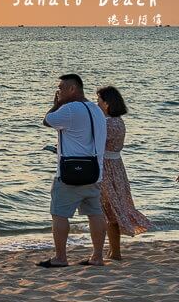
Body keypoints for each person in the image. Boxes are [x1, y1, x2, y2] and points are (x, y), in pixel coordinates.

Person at [39, 73, 107, 268]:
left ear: (72, 89)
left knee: (59, 214)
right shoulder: (96, 110)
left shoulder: (69, 109)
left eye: (61, 88)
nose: (58, 91)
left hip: (70, 174)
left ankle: (60, 257)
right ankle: (97, 257)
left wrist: (57, 104)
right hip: (94, 173)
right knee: (95, 213)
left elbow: (47, 120)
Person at [95, 85, 152, 260]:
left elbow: (94, 144)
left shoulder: (107, 123)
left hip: (107, 168)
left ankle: (115, 252)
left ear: (106, 103)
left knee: (109, 210)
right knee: (113, 208)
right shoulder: (118, 121)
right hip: (117, 166)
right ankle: (113, 251)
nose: (96, 103)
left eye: (99, 100)